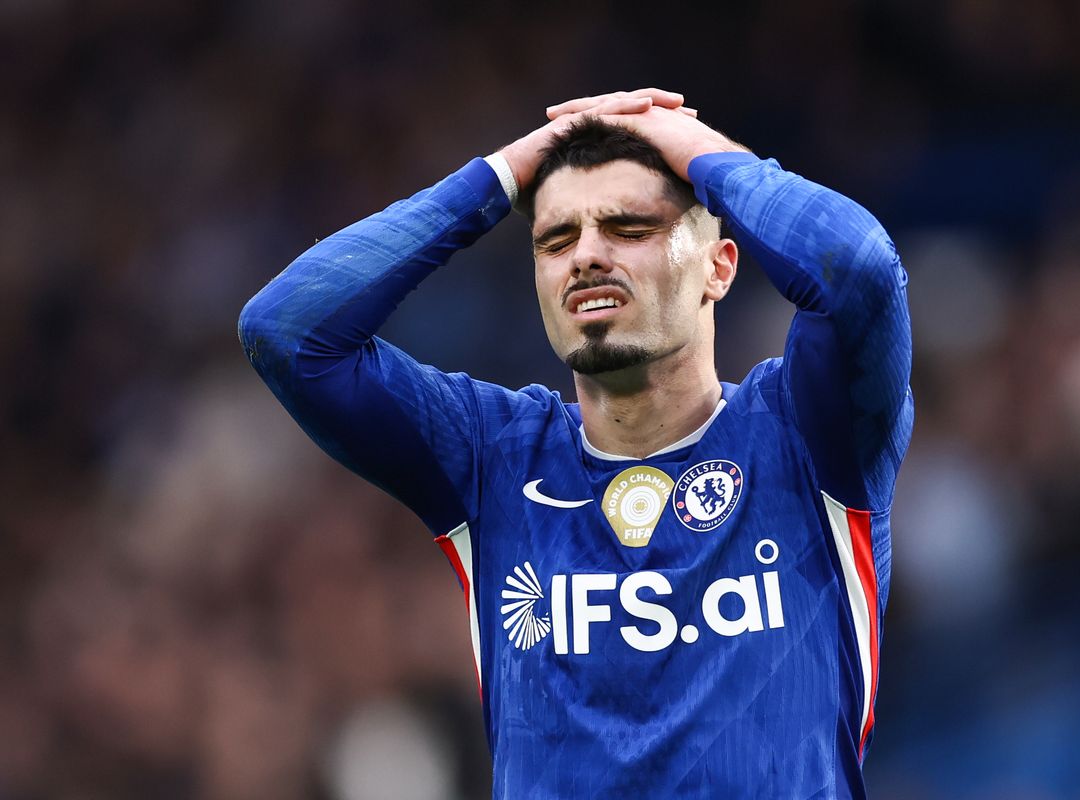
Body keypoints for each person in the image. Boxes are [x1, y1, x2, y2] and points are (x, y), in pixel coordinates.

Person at [239, 88, 913, 798]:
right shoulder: (492, 457)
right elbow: (287, 332)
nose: (586, 256)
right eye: (555, 239)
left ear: (718, 266)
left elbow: (860, 268)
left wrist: (708, 154)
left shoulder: (810, 433)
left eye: (628, 228)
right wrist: (499, 178)